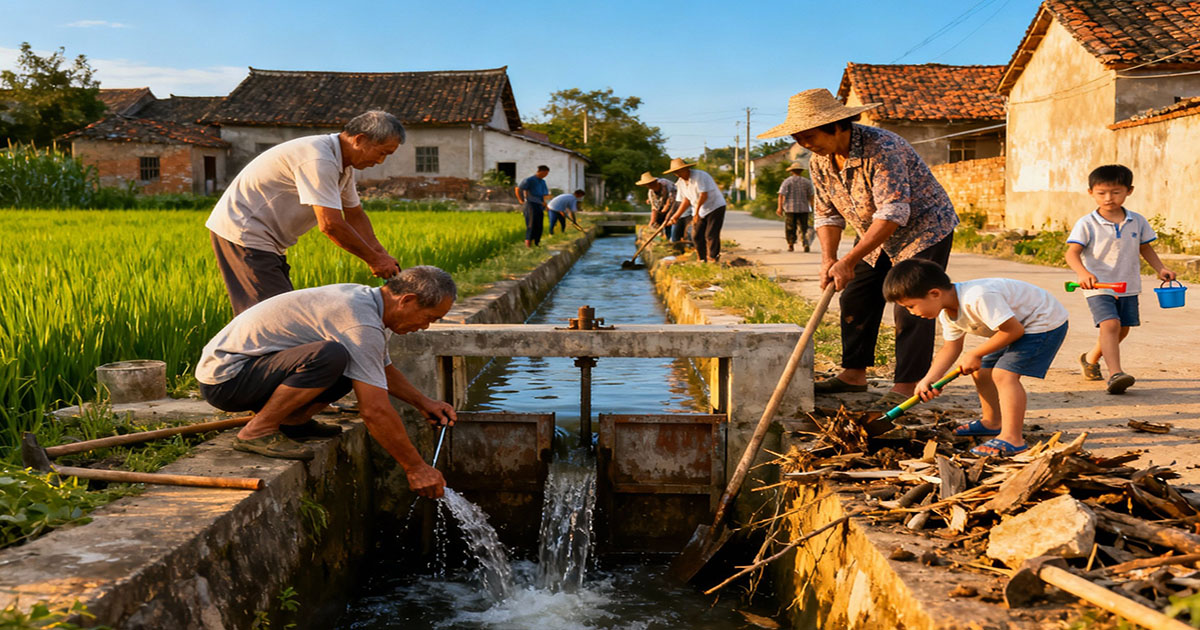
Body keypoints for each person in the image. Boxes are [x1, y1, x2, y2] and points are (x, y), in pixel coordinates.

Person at [758, 89, 959, 410]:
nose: (805, 144)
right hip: (872, 233)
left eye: (810, 136)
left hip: (923, 229)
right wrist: (830, 259)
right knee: (855, 294)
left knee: (911, 305)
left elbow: (894, 212)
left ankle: (907, 384)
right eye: (799, 138)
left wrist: (848, 258)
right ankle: (854, 374)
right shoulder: (819, 163)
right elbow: (826, 214)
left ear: (838, 126)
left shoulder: (883, 148)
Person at [195, 266, 457, 498]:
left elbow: (380, 369)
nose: (426, 327)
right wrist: (416, 468)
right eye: (429, 318)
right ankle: (258, 430)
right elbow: (374, 410)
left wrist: (424, 403)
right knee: (330, 356)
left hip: (259, 372)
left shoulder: (370, 305)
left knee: (352, 364)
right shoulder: (358, 322)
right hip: (228, 379)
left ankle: (293, 422)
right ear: (407, 300)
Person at [207, 110, 406, 315]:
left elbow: (355, 215)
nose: (381, 161)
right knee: (269, 316)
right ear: (360, 139)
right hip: (244, 232)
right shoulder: (318, 158)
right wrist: (374, 260)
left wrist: (382, 255)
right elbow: (331, 225)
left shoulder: (344, 167)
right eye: (382, 152)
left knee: (279, 309)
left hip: (269, 240)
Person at [884, 259, 1069, 457]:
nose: (912, 313)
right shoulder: (947, 313)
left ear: (934, 293)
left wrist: (975, 353)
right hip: (1011, 327)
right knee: (982, 371)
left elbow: (1014, 330)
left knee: (1004, 374)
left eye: (911, 306)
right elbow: (951, 348)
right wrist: (928, 379)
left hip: (1043, 321)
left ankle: (1013, 439)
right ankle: (992, 422)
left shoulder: (978, 297)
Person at [1065, 164, 1176, 395]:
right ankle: (1116, 374)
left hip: (1128, 285)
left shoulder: (1137, 221)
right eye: (1101, 193)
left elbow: (1145, 248)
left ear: (1129, 191)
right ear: (1091, 192)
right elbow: (1072, 253)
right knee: (1110, 325)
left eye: (1116, 192)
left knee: (1123, 329)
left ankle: (1091, 358)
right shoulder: (1087, 223)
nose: (1108, 198)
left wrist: (1160, 268)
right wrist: (1083, 273)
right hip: (1098, 286)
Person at [663, 158, 727, 262]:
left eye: (679, 171)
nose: (678, 174)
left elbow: (703, 195)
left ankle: (713, 257)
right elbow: (685, 200)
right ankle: (701, 258)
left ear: (686, 169)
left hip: (715, 206)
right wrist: (675, 216)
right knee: (696, 235)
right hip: (700, 209)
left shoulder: (700, 176)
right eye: (675, 172)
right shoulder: (681, 183)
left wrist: (696, 213)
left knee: (711, 234)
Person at [776, 162, 815, 252]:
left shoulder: (787, 181)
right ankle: (805, 243)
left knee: (790, 227)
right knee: (804, 227)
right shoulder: (807, 182)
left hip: (790, 209)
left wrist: (780, 208)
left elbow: (781, 195)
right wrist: (813, 207)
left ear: (792, 171)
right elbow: (811, 196)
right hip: (804, 208)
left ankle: (790, 244)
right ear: (801, 171)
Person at [515, 165, 551, 247]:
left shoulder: (542, 182)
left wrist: (545, 204)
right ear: (540, 171)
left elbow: (544, 195)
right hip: (530, 204)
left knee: (539, 224)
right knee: (531, 224)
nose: (545, 175)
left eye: (547, 174)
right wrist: (521, 200)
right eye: (544, 173)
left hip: (539, 205)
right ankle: (528, 243)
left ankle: (537, 243)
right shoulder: (529, 180)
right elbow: (518, 189)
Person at [635, 171, 677, 239]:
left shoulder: (667, 185)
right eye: (647, 185)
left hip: (677, 203)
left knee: (669, 223)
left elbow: (670, 202)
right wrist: (652, 221)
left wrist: (663, 216)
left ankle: (671, 238)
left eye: (651, 184)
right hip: (663, 206)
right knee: (657, 221)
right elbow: (654, 208)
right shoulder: (651, 192)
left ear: (655, 182)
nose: (650, 186)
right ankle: (664, 237)